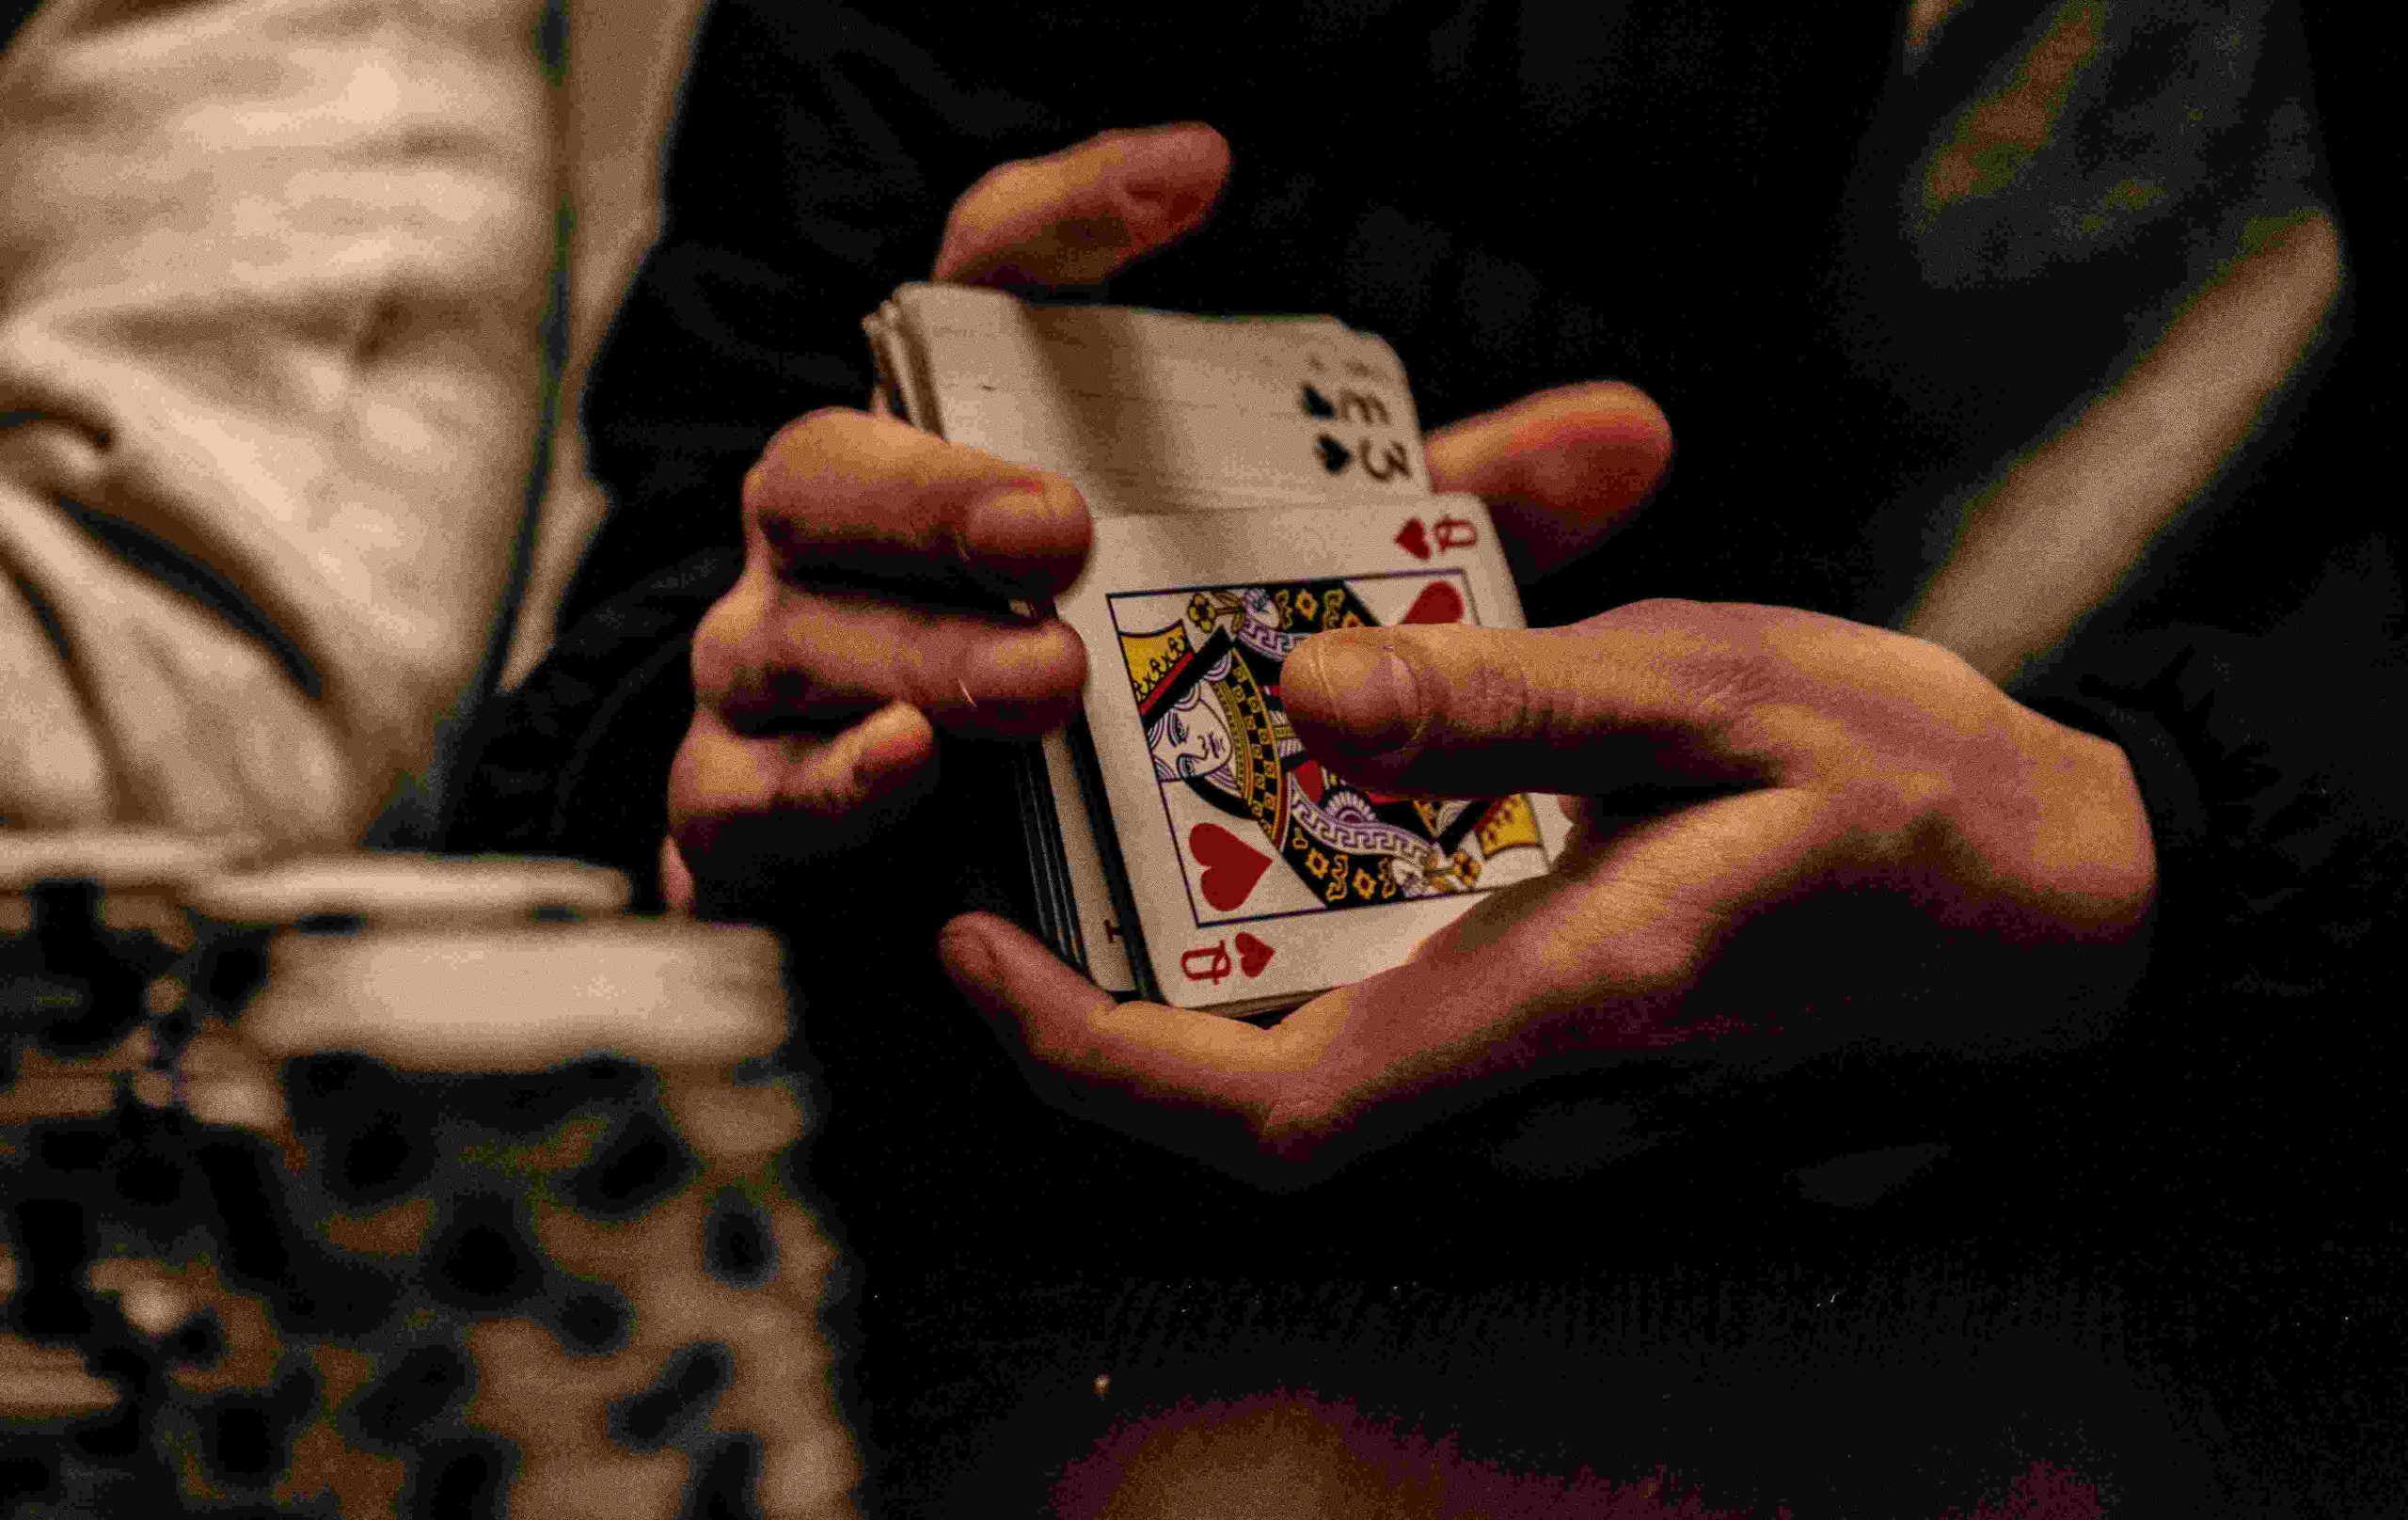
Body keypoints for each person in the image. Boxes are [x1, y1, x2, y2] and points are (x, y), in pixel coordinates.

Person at [448, 4, 2405, 1512]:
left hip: (2251, 1286)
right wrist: (804, 753)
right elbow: (643, 658)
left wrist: (2191, 848)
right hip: (1191, 1329)